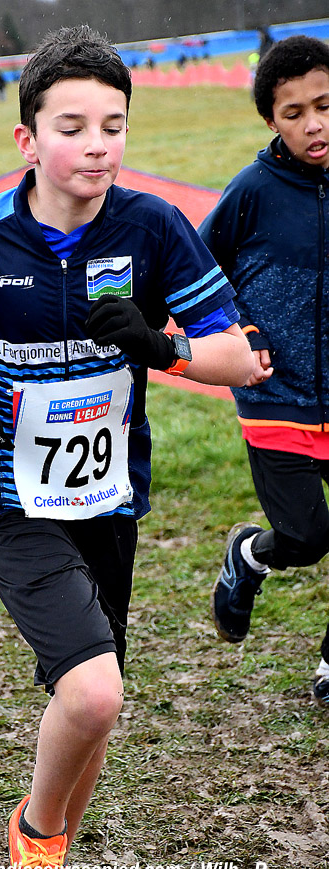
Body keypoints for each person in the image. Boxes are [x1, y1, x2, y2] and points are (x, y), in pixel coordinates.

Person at [0, 25, 253, 869]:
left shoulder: (153, 227)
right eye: (72, 127)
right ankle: (36, 842)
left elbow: (239, 356)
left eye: (112, 127)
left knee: (93, 706)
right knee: (94, 690)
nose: (96, 147)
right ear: (27, 139)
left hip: (107, 498)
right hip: (7, 499)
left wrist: (161, 346)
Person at [198, 35, 329, 708]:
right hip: (276, 397)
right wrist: (242, 331)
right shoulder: (251, 191)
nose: (313, 124)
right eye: (294, 113)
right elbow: (197, 272)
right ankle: (249, 556)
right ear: (271, 120)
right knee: (306, 538)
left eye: (325, 105)